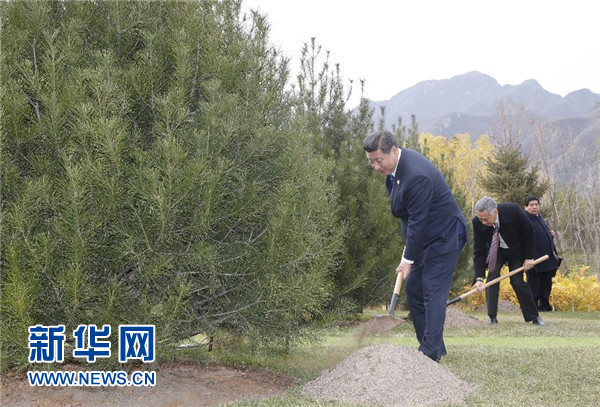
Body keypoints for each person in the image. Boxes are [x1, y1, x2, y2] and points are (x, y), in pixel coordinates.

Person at [364, 130, 467, 362]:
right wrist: (407, 253)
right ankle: (431, 346)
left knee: (432, 288)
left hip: (445, 236)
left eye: (379, 160)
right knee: (414, 288)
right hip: (424, 237)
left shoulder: (416, 175)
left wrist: (408, 260)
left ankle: (429, 354)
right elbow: (408, 217)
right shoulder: (394, 171)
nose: (376, 166)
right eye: (371, 162)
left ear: (393, 150)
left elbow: (418, 220)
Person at [472, 196, 545, 325]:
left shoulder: (513, 210)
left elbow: (528, 233)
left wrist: (529, 257)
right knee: (492, 278)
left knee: (517, 281)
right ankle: (492, 317)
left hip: (516, 250)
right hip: (496, 250)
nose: (482, 222)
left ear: (495, 212)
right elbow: (479, 250)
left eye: (485, 219)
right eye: (480, 218)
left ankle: (534, 316)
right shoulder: (477, 222)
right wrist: (479, 278)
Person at [523, 196, 559, 311]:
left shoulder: (539, 217)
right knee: (534, 283)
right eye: (531, 205)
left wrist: (550, 234)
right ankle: (532, 306)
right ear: (526, 207)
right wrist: (528, 257)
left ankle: (545, 305)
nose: (534, 207)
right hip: (534, 258)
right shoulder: (525, 219)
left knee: (546, 282)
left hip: (547, 257)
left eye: (536, 204)